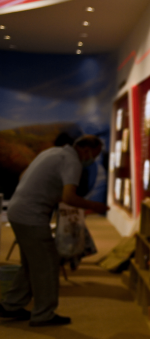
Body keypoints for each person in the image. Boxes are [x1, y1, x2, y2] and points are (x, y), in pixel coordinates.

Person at [0, 135, 109, 327]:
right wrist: (95, 206)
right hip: (31, 217)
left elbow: (23, 176)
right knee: (48, 264)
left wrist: (47, 194)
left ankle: (12, 305)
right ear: (86, 150)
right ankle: (43, 314)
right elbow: (69, 197)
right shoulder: (73, 162)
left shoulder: (52, 152)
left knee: (31, 263)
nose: (93, 159)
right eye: (95, 154)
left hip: (17, 211)